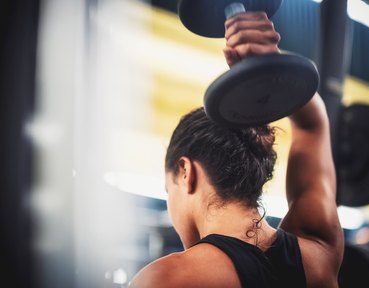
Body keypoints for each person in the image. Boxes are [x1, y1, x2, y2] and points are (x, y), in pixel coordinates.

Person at [128, 12, 344, 288]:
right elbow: (313, 125)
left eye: (168, 190)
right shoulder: (318, 254)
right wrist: (273, 66)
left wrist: (272, 71)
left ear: (185, 172)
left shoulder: (167, 278)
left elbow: (312, 126)